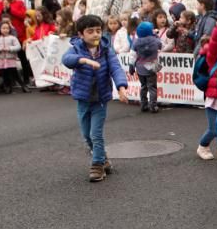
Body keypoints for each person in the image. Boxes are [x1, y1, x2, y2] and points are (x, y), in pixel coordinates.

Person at [61, 15, 129, 183]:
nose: (95, 35)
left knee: (95, 134)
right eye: (90, 31)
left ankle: (97, 165)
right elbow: (66, 60)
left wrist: (121, 88)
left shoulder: (106, 50)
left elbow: (116, 68)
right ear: (81, 34)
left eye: (98, 30)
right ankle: (103, 158)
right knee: (86, 135)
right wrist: (83, 60)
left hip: (100, 99)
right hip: (83, 99)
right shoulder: (76, 48)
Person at [196, 24, 217, 162]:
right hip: (213, 99)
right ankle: (202, 146)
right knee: (213, 129)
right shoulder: (214, 59)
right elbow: (214, 45)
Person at [130, 21, 162, 113]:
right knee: (152, 87)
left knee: (143, 86)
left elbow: (132, 55)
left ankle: (144, 104)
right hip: (150, 67)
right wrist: (155, 35)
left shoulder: (136, 42)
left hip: (140, 68)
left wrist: (131, 65)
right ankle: (153, 105)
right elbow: (160, 46)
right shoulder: (154, 40)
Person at [0, 20, 27, 94]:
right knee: (5, 74)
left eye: (7, 28)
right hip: (1, 59)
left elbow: (18, 46)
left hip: (10, 59)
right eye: (3, 28)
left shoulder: (13, 38)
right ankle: (8, 87)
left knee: (15, 73)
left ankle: (23, 85)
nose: (5, 30)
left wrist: (10, 48)